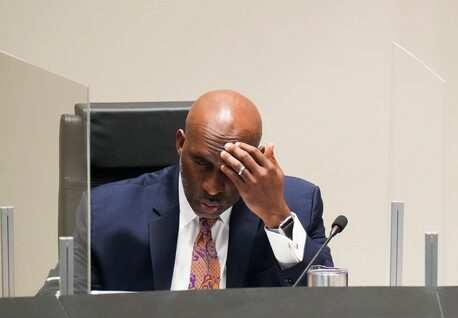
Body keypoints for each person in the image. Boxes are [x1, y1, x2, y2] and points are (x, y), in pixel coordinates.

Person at [90, 89, 332, 291]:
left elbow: (329, 313)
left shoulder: (297, 205)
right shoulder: (104, 213)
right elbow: (62, 312)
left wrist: (276, 217)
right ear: (180, 144)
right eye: (202, 164)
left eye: (230, 168)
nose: (212, 188)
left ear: (255, 158)